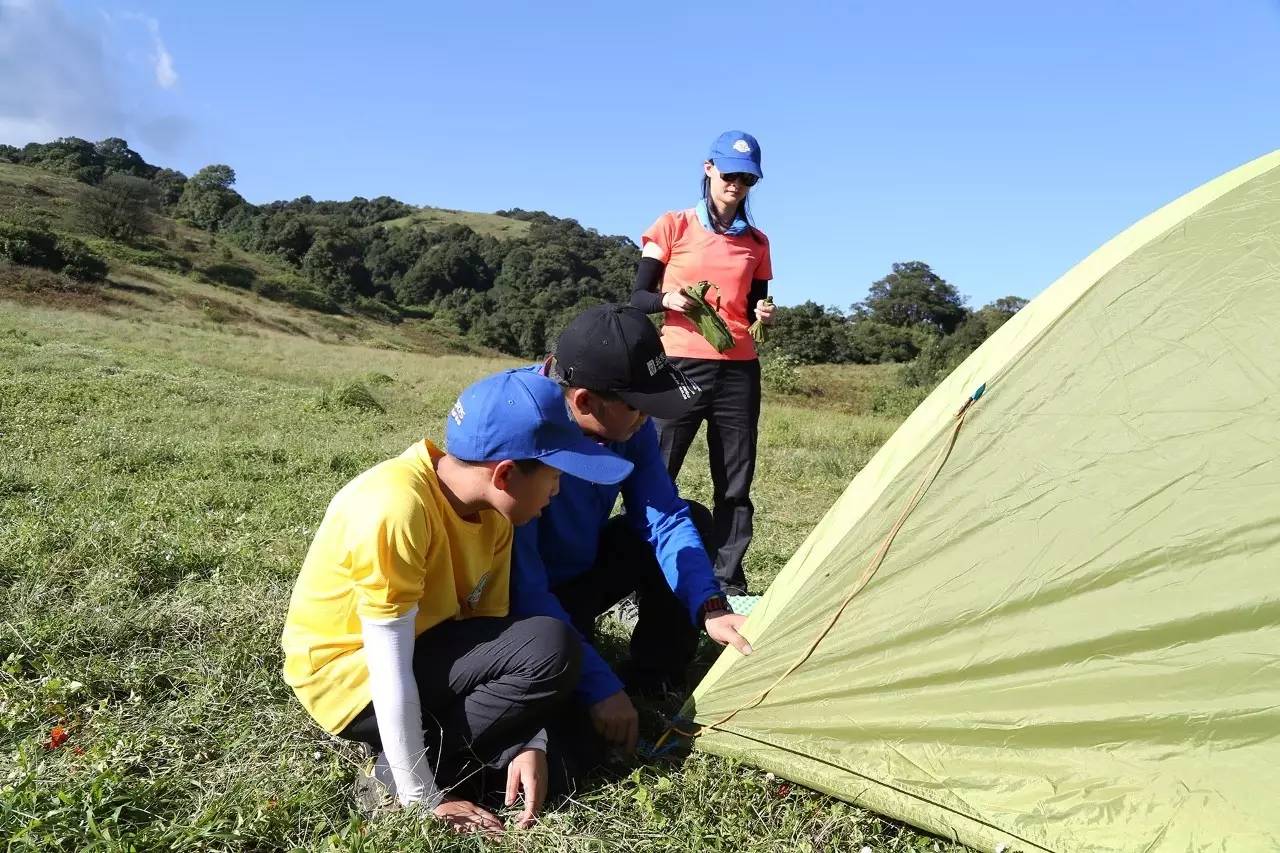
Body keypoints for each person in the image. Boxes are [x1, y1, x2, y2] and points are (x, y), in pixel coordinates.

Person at [281, 369, 632, 833]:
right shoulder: (396, 505)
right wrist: (421, 798)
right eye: (554, 475)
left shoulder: (494, 515)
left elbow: (493, 628)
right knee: (551, 646)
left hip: (431, 651)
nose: (558, 490)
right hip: (353, 678)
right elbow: (388, 667)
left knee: (568, 754)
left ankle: (445, 762)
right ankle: (398, 781)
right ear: (505, 474)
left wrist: (529, 739)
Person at [510, 304, 753, 757]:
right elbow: (519, 581)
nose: (647, 420)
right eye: (640, 409)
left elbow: (663, 515)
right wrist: (597, 686)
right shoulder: (521, 427)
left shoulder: (625, 421)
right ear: (584, 402)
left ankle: (655, 678)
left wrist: (710, 604)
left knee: (693, 518)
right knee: (569, 729)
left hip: (579, 568)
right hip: (519, 597)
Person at [630, 130, 776, 598]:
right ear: (709, 169)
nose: (736, 184)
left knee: (735, 479)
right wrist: (667, 298)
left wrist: (763, 316)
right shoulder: (673, 225)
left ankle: (728, 579)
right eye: (729, 174)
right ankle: (639, 574)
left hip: (739, 369)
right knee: (657, 471)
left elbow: (755, 307)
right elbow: (637, 298)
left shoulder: (756, 242)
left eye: (746, 178)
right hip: (679, 365)